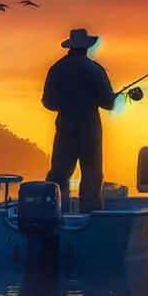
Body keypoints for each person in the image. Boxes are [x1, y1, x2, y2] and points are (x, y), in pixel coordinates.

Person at [42, 27, 117, 212]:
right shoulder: (95, 70)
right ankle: (91, 217)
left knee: (59, 175)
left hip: (65, 130)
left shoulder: (56, 69)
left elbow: (48, 103)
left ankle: (56, 214)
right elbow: (108, 103)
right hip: (90, 132)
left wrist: (66, 104)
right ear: (86, 48)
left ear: (71, 47)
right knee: (92, 177)